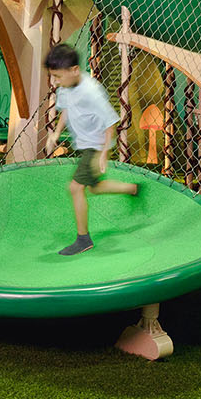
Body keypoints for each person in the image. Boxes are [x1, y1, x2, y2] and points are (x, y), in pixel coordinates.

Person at [45, 43, 138, 256]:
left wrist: (103, 154)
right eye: (54, 77)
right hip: (85, 145)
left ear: (74, 70)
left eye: (58, 76)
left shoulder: (92, 92)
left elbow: (110, 123)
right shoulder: (65, 88)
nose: (56, 81)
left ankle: (83, 239)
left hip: (96, 146)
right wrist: (56, 133)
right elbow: (66, 110)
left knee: (76, 187)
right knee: (94, 187)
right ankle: (131, 188)